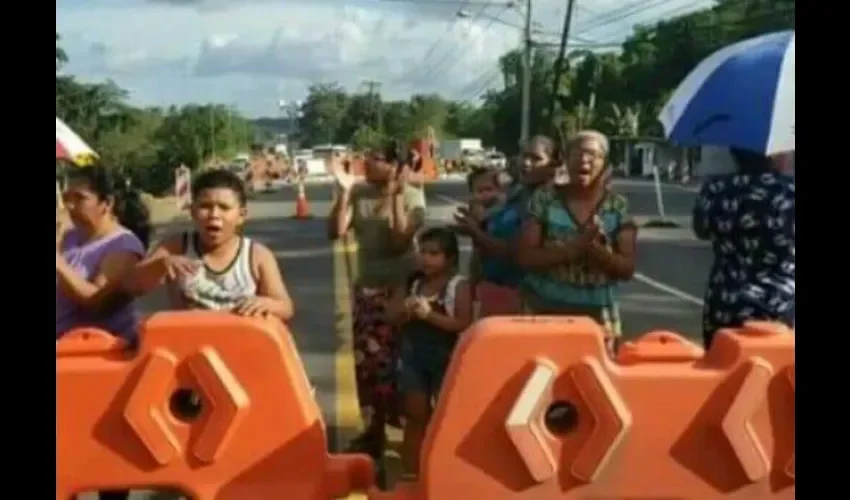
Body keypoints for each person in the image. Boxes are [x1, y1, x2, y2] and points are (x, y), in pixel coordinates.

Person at [327, 140, 426, 467]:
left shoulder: (413, 198)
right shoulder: (359, 193)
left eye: (377, 158)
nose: (367, 162)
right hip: (367, 290)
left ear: (395, 166)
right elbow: (336, 230)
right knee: (368, 367)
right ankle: (374, 430)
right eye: (367, 157)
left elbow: (400, 241)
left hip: (401, 290)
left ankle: (408, 429)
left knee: (402, 363)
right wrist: (343, 191)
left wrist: (396, 195)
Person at [56, 165, 150, 500]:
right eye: (67, 197)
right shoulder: (69, 237)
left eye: (80, 198)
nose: (69, 205)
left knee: (105, 460)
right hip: (64, 359)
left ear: (106, 202)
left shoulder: (124, 245)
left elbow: (93, 299)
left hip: (104, 362)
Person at [516, 130, 637, 356]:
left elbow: (627, 269)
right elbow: (525, 256)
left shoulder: (618, 207)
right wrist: (573, 249)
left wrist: (598, 253)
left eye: (592, 155)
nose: (584, 160)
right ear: (565, 159)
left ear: (605, 163)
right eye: (577, 154)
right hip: (544, 311)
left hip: (597, 316)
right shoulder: (545, 199)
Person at [124, 169, 294, 320]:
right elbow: (134, 286)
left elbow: (285, 307)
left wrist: (267, 304)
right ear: (192, 211)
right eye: (205, 206)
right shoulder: (176, 246)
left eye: (224, 207)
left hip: (242, 346)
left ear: (241, 215)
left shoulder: (257, 256)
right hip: (191, 345)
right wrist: (161, 264)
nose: (214, 214)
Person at [387, 227, 472, 477]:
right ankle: (411, 470)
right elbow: (392, 316)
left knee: (446, 417)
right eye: (422, 252)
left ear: (450, 258)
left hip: (446, 357)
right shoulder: (413, 283)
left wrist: (429, 315)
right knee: (415, 414)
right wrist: (404, 311)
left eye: (434, 253)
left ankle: (444, 470)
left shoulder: (459, 285)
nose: (426, 259)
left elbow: (463, 323)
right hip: (413, 356)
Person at [692, 148, 795, 348]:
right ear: (774, 154)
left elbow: (701, 229)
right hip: (780, 307)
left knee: (724, 373)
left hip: (725, 306)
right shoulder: (790, 192)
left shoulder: (716, 190)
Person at [453, 135, 557, 317]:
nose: (526, 163)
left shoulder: (549, 202)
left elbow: (516, 253)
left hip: (526, 295)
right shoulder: (515, 194)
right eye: (524, 156)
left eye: (536, 158)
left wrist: (476, 232)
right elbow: (483, 244)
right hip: (492, 287)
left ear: (553, 163)